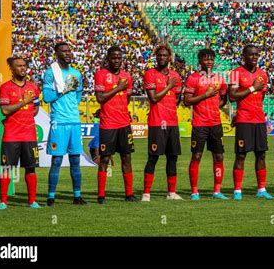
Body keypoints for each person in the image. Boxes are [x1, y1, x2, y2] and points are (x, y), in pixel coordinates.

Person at [43, 42, 86, 206]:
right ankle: (51, 197)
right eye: (64, 51)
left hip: (74, 122)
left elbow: (78, 96)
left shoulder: (76, 73)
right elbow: (47, 97)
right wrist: (63, 90)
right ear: (57, 54)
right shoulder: (50, 73)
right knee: (56, 161)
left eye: (69, 50)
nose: (68, 53)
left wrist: (71, 108)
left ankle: (77, 196)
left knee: (76, 160)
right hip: (59, 123)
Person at [229, 44, 274, 200]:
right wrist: (251, 88)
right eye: (251, 55)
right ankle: (237, 191)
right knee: (241, 155)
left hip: (259, 120)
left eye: (256, 54)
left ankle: (261, 189)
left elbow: (260, 97)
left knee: (261, 154)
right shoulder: (235, 73)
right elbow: (232, 96)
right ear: (244, 56)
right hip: (244, 119)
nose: (254, 57)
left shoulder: (263, 74)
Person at [184, 49, 228, 200]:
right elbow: (186, 101)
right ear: (199, 61)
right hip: (199, 124)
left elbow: (224, 98)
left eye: (211, 59)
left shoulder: (220, 79)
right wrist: (206, 95)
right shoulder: (193, 79)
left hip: (215, 123)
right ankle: (194, 191)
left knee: (219, 156)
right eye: (205, 59)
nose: (209, 61)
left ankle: (217, 191)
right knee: (197, 155)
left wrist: (216, 105)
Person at [0, 56, 41, 210]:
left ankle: (32, 201)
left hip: (29, 135)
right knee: (7, 168)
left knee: (31, 168)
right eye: (19, 66)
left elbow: (36, 108)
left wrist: (27, 113)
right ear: (12, 69)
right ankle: (3, 201)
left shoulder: (33, 87)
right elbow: (5, 110)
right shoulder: (5, 87)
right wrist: (23, 102)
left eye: (24, 65)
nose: (23, 68)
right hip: (11, 135)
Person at [95, 46, 136, 204]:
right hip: (108, 124)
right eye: (113, 58)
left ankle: (129, 194)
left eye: (119, 58)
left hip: (124, 124)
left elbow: (127, 99)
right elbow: (100, 98)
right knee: (105, 158)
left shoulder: (127, 76)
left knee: (126, 157)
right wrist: (118, 88)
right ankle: (101, 195)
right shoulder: (101, 74)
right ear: (108, 58)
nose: (116, 61)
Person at [142, 44, 183, 201]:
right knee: (153, 157)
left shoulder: (176, 76)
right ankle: (146, 193)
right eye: (159, 55)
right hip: (157, 122)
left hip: (172, 122)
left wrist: (170, 94)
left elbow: (177, 99)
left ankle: (171, 193)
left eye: (165, 55)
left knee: (172, 157)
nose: (162, 58)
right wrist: (168, 87)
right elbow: (154, 98)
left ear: (169, 57)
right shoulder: (150, 74)